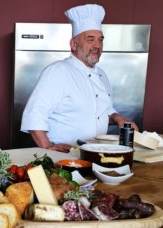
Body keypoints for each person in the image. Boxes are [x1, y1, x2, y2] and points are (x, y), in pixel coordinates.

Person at [20, 4, 138, 153]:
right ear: (73, 45)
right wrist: (47, 147)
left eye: (100, 40)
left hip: (94, 153)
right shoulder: (58, 71)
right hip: (64, 155)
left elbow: (100, 111)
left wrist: (117, 117)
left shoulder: (101, 75)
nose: (97, 45)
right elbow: (35, 113)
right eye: (90, 39)